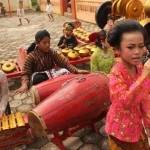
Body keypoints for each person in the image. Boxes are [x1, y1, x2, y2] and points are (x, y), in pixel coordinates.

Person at [105, 20, 150, 150]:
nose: (137, 52)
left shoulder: (140, 68)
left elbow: (145, 96)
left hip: (137, 124)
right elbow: (124, 102)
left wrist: (148, 122)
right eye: (130, 47)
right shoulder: (116, 74)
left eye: (141, 46)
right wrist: (144, 77)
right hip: (120, 130)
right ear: (118, 49)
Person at [16, 30, 88, 93]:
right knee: (37, 78)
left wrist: (76, 70)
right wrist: (24, 84)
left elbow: (64, 63)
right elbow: (25, 73)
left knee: (64, 71)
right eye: (44, 43)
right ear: (37, 43)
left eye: (49, 42)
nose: (47, 45)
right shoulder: (31, 56)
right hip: (39, 81)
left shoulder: (52, 52)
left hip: (52, 79)